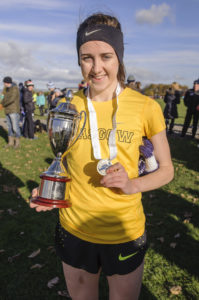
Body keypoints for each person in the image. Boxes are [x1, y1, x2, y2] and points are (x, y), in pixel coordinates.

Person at [30, 12, 174, 300]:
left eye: (106, 56)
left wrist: (133, 184)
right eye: (87, 58)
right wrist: (49, 190)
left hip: (123, 232)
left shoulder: (145, 107)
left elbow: (167, 170)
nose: (96, 68)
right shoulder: (68, 107)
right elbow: (65, 160)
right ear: (79, 60)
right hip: (74, 228)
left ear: (119, 56)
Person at [1, 76, 21, 148]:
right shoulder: (7, 89)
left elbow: (11, 99)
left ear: (7, 82)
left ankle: (17, 143)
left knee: (15, 127)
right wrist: (1, 103)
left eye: (4, 82)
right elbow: (4, 98)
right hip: (8, 110)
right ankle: (10, 142)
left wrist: (2, 104)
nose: (3, 84)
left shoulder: (15, 89)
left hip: (14, 110)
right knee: (9, 127)